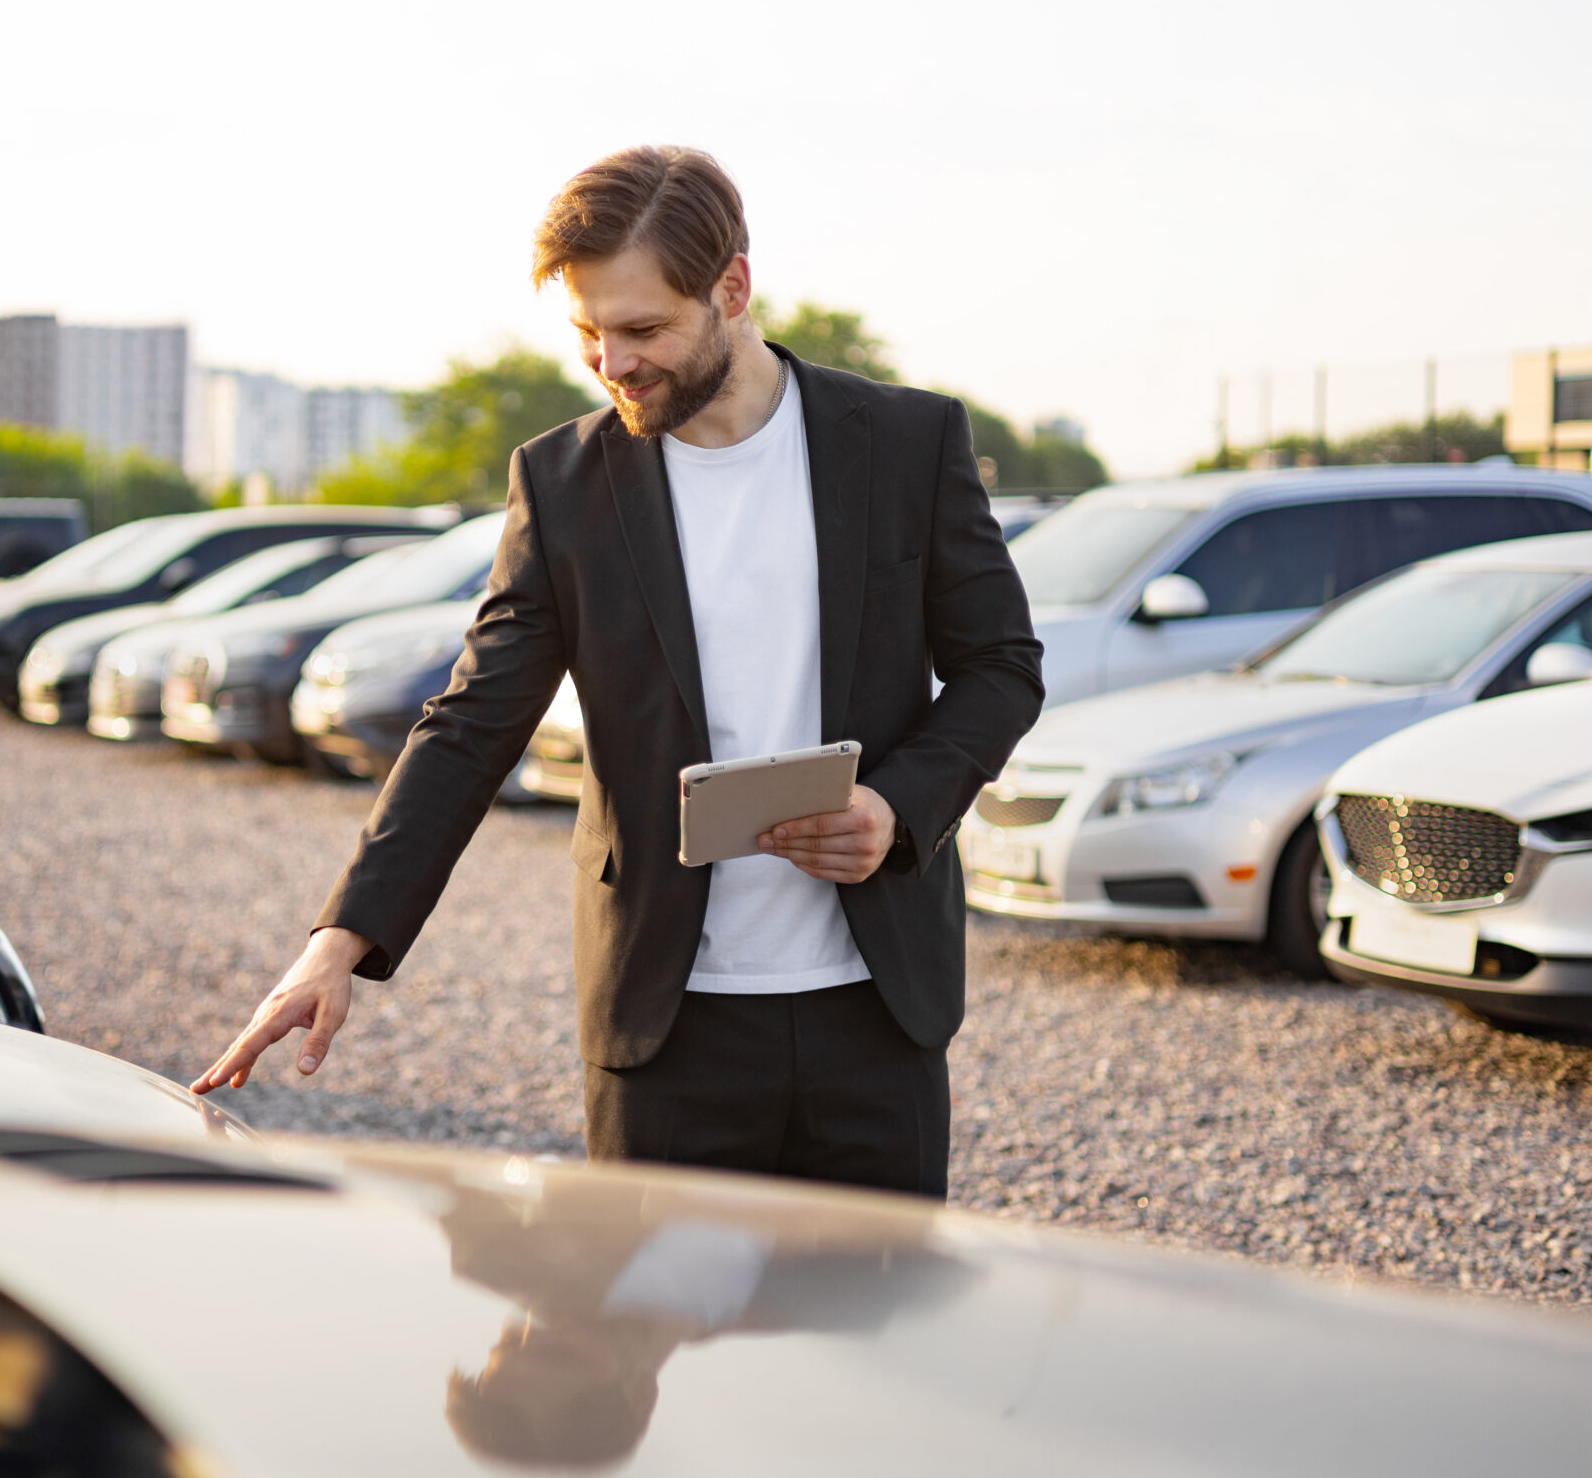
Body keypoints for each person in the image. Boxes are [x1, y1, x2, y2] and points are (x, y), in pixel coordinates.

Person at [194, 145, 1042, 1197]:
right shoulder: (559, 485)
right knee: (658, 1355)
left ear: (733, 287)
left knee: (873, 1354)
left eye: (642, 330)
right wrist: (338, 939)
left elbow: (1001, 667)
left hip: (876, 1013)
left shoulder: (908, 443)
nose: (612, 363)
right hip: (664, 1029)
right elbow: (469, 724)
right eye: (587, 334)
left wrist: (898, 808)